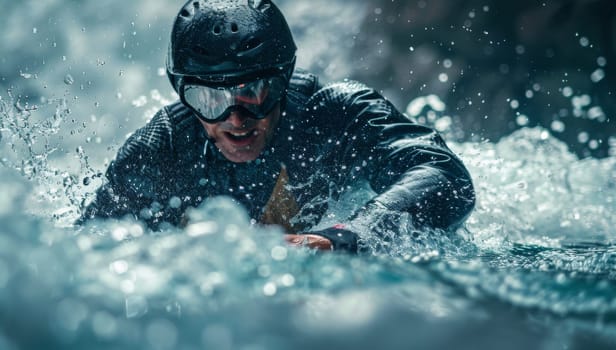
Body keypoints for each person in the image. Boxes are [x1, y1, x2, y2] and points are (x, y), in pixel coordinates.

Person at [78, 0, 475, 254]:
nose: (235, 119)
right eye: (209, 99)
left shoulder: (333, 115)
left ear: (283, 80)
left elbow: (444, 175)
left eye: (252, 93)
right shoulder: (160, 149)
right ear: (181, 92)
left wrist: (343, 236)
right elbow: (86, 254)